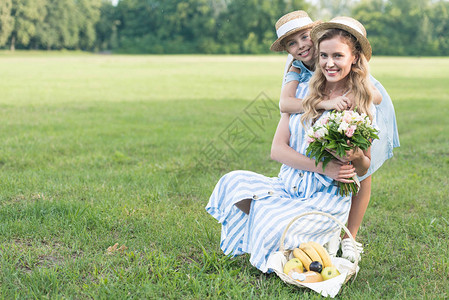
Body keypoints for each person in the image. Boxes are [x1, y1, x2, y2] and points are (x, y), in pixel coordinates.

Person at [206, 16, 376, 273]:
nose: (329, 63)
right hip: (289, 184)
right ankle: (280, 223)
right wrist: (323, 167)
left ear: (353, 58)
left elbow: (364, 168)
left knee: (269, 222)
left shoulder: (358, 101)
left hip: (323, 197)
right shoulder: (301, 92)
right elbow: (277, 150)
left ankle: (300, 230)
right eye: (324, 56)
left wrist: (354, 156)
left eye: (338, 56)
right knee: (231, 183)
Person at [271, 13, 400, 262]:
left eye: (305, 37)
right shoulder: (297, 66)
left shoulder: (335, 56)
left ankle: (349, 236)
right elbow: (285, 103)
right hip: (320, 102)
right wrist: (327, 103)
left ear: (315, 35)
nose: (302, 46)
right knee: (329, 154)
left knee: (363, 168)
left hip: (355, 103)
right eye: (292, 44)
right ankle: (327, 224)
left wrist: (352, 101)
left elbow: (375, 97)